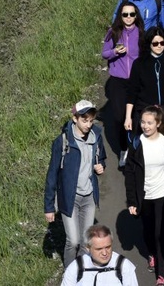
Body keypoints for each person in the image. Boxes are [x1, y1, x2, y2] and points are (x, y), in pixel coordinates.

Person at [44, 101, 106, 266]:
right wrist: (49, 206)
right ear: (75, 118)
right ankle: (70, 276)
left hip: (89, 197)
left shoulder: (96, 136)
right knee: (73, 241)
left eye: (91, 120)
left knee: (85, 243)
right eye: (84, 120)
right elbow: (52, 174)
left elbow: (102, 158)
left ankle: (82, 275)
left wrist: (101, 167)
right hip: (69, 198)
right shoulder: (63, 141)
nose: (88, 124)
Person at [124, 106, 164, 285]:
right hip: (144, 196)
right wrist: (131, 200)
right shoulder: (137, 143)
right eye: (143, 122)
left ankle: (162, 274)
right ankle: (152, 253)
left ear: (159, 123)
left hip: (163, 195)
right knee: (148, 231)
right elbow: (129, 173)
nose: (145, 126)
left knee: (161, 234)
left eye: (149, 122)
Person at [124, 28, 164, 151]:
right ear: (149, 44)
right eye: (155, 43)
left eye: (162, 43)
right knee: (145, 147)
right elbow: (132, 91)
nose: (159, 46)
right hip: (146, 112)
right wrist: (128, 117)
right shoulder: (139, 64)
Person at [103, 1, 144, 162]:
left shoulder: (141, 33)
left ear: (136, 16)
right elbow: (105, 54)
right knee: (120, 117)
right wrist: (115, 51)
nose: (128, 17)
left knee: (137, 117)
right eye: (125, 14)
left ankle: (136, 149)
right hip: (118, 81)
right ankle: (123, 149)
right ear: (120, 15)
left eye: (131, 14)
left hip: (136, 80)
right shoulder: (113, 32)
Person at [60, 224, 138, 286]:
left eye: (108, 247)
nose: (104, 253)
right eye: (99, 249)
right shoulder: (75, 267)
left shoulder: (124, 266)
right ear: (88, 248)